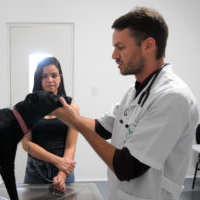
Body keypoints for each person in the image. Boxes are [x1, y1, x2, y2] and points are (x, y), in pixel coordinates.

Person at [51, 7, 199, 200]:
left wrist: (77, 123)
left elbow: (127, 167)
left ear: (148, 45)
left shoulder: (173, 97)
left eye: (120, 47)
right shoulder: (135, 91)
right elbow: (102, 127)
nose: (114, 55)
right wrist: (66, 114)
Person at [22, 57, 79, 192]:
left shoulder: (72, 108)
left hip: (63, 171)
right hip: (35, 171)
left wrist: (62, 173)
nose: (50, 80)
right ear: (39, 79)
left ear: (60, 77)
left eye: (54, 75)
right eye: (44, 76)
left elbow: (71, 146)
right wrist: (56, 160)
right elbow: (26, 144)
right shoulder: (29, 107)